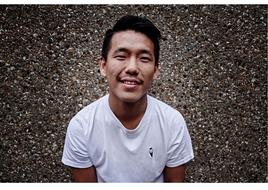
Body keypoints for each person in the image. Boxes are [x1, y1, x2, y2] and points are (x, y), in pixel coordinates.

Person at [62, 15, 194, 183]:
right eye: (121, 56)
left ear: (155, 70)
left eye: (144, 58)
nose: (132, 68)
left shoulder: (172, 122)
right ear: (103, 66)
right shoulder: (81, 127)